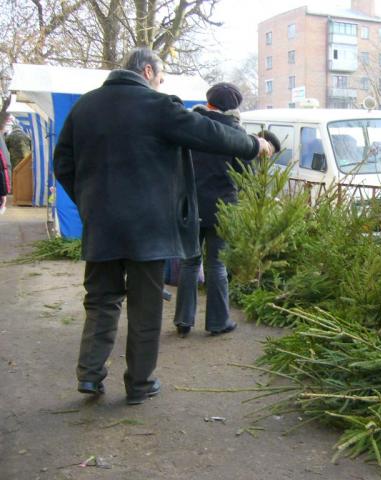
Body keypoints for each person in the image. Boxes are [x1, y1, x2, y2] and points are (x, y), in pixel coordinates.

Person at [53, 48, 274, 405]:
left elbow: (62, 163)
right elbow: (211, 134)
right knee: (145, 306)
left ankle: (90, 377)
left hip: (102, 225)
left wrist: (88, 202)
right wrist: (254, 144)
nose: (161, 81)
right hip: (148, 229)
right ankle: (139, 385)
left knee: (101, 300)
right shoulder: (157, 106)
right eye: (161, 75)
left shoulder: (85, 107)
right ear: (147, 70)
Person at [173, 83, 280, 338]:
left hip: (190, 203)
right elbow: (245, 175)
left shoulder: (191, 124)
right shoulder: (235, 132)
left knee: (189, 262)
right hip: (223, 206)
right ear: (232, 107)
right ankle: (218, 322)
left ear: (209, 100)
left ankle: (183, 321)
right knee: (217, 265)